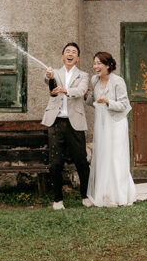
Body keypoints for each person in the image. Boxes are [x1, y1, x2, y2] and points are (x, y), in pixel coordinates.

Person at [42, 42, 91, 210]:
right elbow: (47, 80)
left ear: (77, 58)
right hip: (55, 122)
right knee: (55, 163)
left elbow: (81, 91)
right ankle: (57, 200)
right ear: (63, 56)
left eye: (74, 52)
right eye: (67, 51)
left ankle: (85, 196)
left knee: (81, 162)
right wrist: (48, 76)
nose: (70, 54)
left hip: (74, 123)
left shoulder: (83, 75)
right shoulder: (54, 72)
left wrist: (65, 90)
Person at [85, 51, 137, 207]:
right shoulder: (94, 80)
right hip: (101, 124)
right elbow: (91, 102)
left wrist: (108, 101)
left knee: (115, 158)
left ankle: (119, 195)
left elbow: (124, 105)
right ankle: (104, 194)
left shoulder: (118, 81)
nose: (96, 66)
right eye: (94, 63)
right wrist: (85, 95)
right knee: (103, 157)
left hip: (116, 123)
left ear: (108, 65)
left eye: (99, 63)